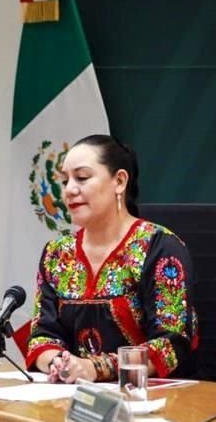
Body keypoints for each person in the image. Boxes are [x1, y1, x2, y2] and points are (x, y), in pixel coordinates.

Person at [25, 135, 198, 383]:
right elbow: (41, 337)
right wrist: (60, 363)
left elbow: (171, 345)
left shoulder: (160, 248)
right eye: (65, 181)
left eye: (82, 178)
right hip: (74, 397)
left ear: (119, 181)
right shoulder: (57, 254)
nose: (69, 190)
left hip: (149, 400)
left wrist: (95, 368)